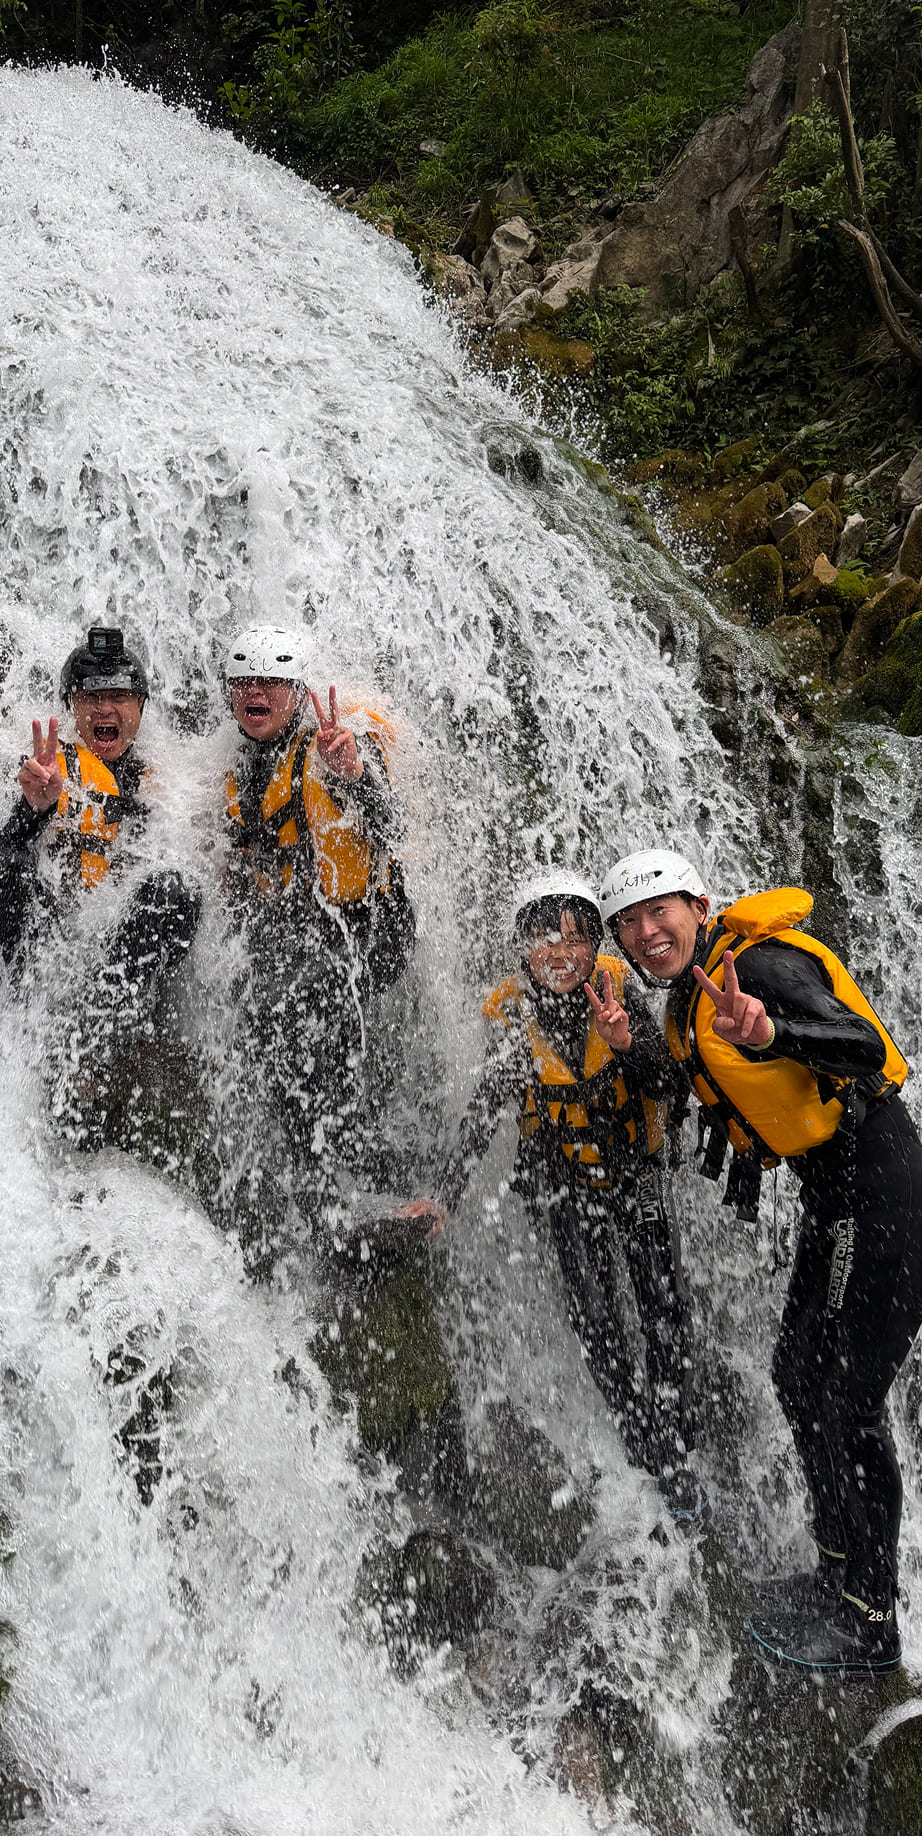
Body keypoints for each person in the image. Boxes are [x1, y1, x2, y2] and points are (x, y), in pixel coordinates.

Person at [594, 847, 922, 1672]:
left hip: (887, 1192)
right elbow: (688, 1082)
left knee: (846, 1402)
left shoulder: (762, 965)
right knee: (796, 1375)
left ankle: (873, 1622)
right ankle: (840, 1572)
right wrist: (629, 1045)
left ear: (698, 906)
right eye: (629, 923)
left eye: (659, 911)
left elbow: (855, 1042)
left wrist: (772, 1028)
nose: (646, 932)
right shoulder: (685, 1006)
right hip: (837, 1202)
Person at [415, 873, 701, 1521]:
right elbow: (487, 1109)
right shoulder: (514, 1016)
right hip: (564, 1191)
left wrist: (628, 1042)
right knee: (598, 1325)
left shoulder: (618, 988)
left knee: (663, 1311)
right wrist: (444, 1197)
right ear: (523, 947)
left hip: (635, 1175)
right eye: (545, 938)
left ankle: (680, 1453)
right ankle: (643, 1444)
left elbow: (672, 1085)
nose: (561, 953)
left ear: (597, 943)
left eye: (577, 937)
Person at [221, 623, 415, 1279]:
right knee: (269, 1032)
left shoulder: (337, 743)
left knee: (303, 1010)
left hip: (372, 926)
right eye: (245, 681)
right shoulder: (240, 767)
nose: (257, 691)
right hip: (304, 935)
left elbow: (393, 827)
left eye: (272, 680)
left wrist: (356, 774)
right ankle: (330, 1209)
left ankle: (350, 1187)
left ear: (298, 690)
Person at [0, 626, 201, 1130]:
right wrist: (32, 809)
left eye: (118, 696)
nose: (104, 710)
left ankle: (93, 1040)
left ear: (141, 705)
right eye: (91, 696)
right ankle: (39, 1045)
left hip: (118, 976)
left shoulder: (172, 777)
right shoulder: (42, 767)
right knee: (11, 871)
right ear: (71, 705)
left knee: (178, 890)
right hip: (49, 955)